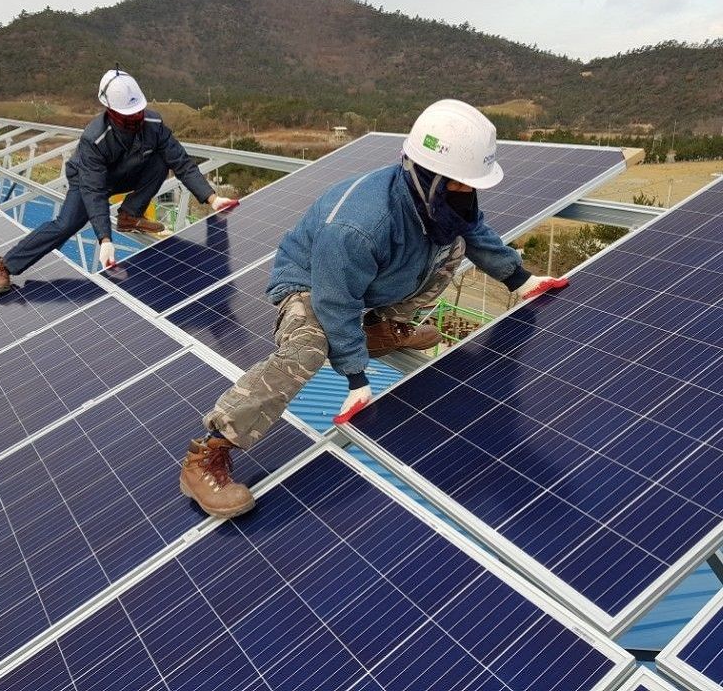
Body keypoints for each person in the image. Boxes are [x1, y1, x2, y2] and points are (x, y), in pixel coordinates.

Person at [179, 99, 570, 519]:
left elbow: (476, 233)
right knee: (308, 349)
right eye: (458, 185)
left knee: (453, 244)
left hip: (368, 286)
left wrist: (521, 279)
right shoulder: (359, 225)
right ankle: (209, 453)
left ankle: (380, 327)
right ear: (426, 176)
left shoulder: (439, 202)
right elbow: (335, 298)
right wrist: (355, 376)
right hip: (311, 285)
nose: (466, 194)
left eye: (470, 186)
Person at [0, 67, 237, 292]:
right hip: (87, 180)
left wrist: (212, 198)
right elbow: (95, 191)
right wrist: (105, 240)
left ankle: (130, 214)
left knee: (163, 160)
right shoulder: (94, 139)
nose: (135, 119)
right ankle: (6, 265)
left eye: (137, 113)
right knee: (66, 224)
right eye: (128, 116)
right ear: (111, 111)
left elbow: (181, 161)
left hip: (125, 172)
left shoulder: (153, 124)